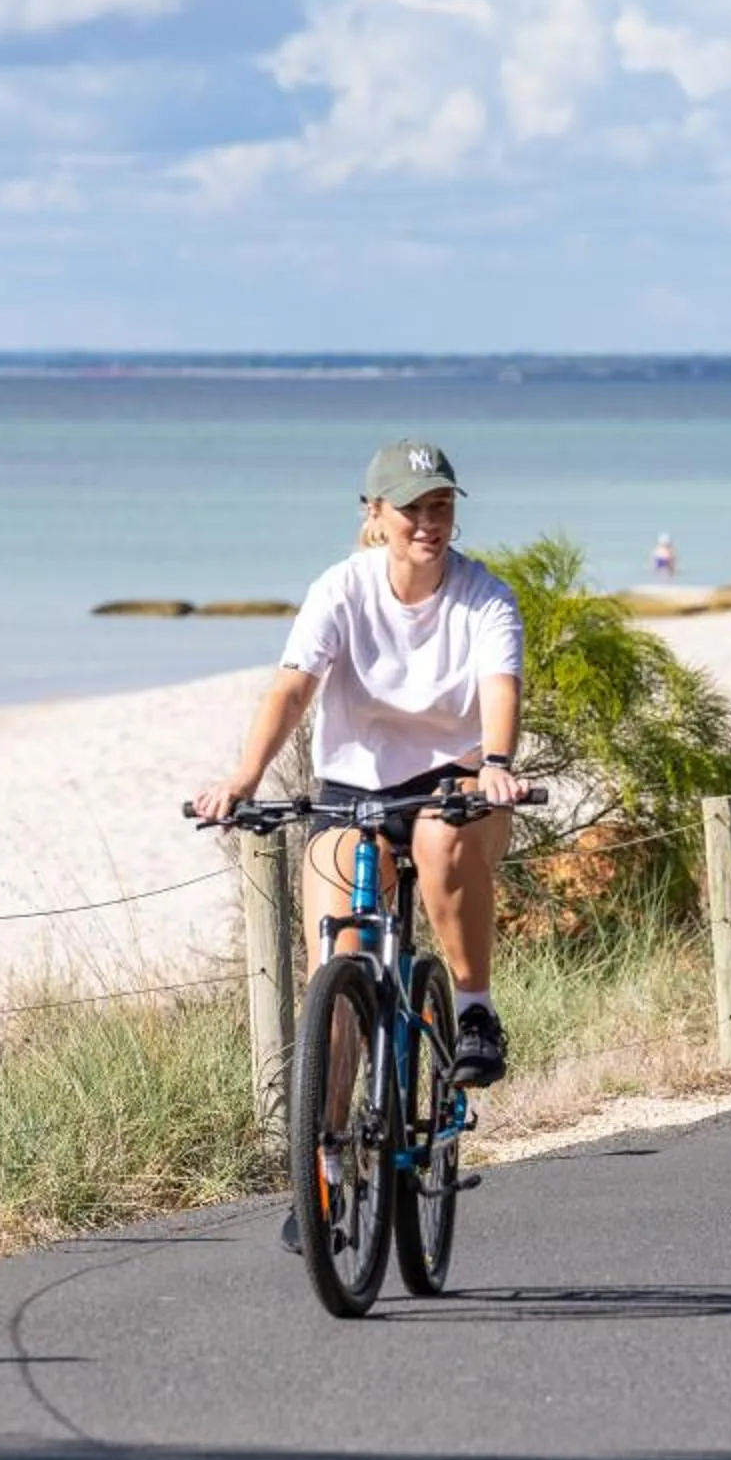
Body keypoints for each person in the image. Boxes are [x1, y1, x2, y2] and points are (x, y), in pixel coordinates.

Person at [193, 437, 527, 1126]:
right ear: (374, 513)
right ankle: (326, 1159)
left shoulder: (485, 597)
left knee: (438, 841)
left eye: (440, 507)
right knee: (336, 965)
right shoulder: (341, 589)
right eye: (411, 509)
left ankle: (474, 1010)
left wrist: (496, 763)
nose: (428, 523)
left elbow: (500, 687)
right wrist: (244, 778)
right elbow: (292, 688)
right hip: (354, 790)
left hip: (455, 783)